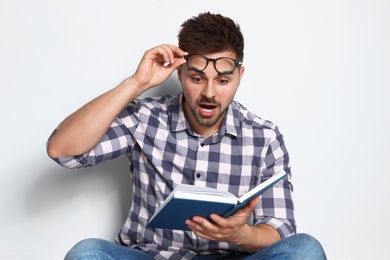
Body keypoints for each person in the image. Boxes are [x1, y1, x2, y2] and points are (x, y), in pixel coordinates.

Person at [47, 12, 326, 260]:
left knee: (306, 250)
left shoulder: (264, 137)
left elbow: (281, 230)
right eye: (196, 78)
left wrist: (239, 234)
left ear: (240, 76)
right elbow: (63, 150)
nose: (209, 92)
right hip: (154, 256)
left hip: (230, 256)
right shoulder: (144, 118)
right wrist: (137, 83)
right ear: (180, 73)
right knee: (87, 253)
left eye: (223, 80)